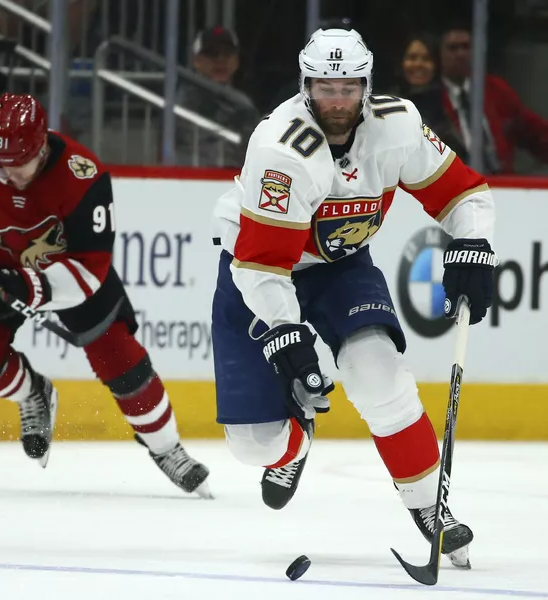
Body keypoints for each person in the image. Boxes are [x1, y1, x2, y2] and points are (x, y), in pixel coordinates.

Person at [211, 28, 497, 567]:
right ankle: (295, 441)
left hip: (340, 268)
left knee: (378, 374)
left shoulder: (398, 126)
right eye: (325, 87)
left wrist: (473, 240)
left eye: (348, 87)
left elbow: (462, 192)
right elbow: (263, 263)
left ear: (366, 86)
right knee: (253, 445)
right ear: (305, 85)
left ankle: (431, 509)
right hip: (256, 272)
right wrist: (284, 332)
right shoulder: (279, 149)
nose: (336, 100)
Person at [0, 93, 211, 497]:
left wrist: (26, 286)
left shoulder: (82, 176)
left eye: (19, 165)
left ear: (41, 147)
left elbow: (91, 271)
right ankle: (33, 393)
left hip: (72, 271)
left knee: (121, 361)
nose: (7, 176)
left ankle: (167, 450)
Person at [438, 23, 548, 177]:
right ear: (440, 54)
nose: (460, 54)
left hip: (500, 187)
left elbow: (541, 136)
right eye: (453, 48)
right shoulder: (430, 99)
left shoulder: (495, 91)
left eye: (466, 47)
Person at [174, 26, 261, 167]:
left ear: (236, 61)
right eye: (211, 53)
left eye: (227, 54)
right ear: (196, 61)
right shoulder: (181, 103)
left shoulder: (245, 104)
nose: (220, 60)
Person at [391, 34, 467, 158]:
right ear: (401, 62)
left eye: (426, 59)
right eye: (412, 57)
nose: (418, 64)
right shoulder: (387, 103)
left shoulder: (448, 101)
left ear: (436, 65)